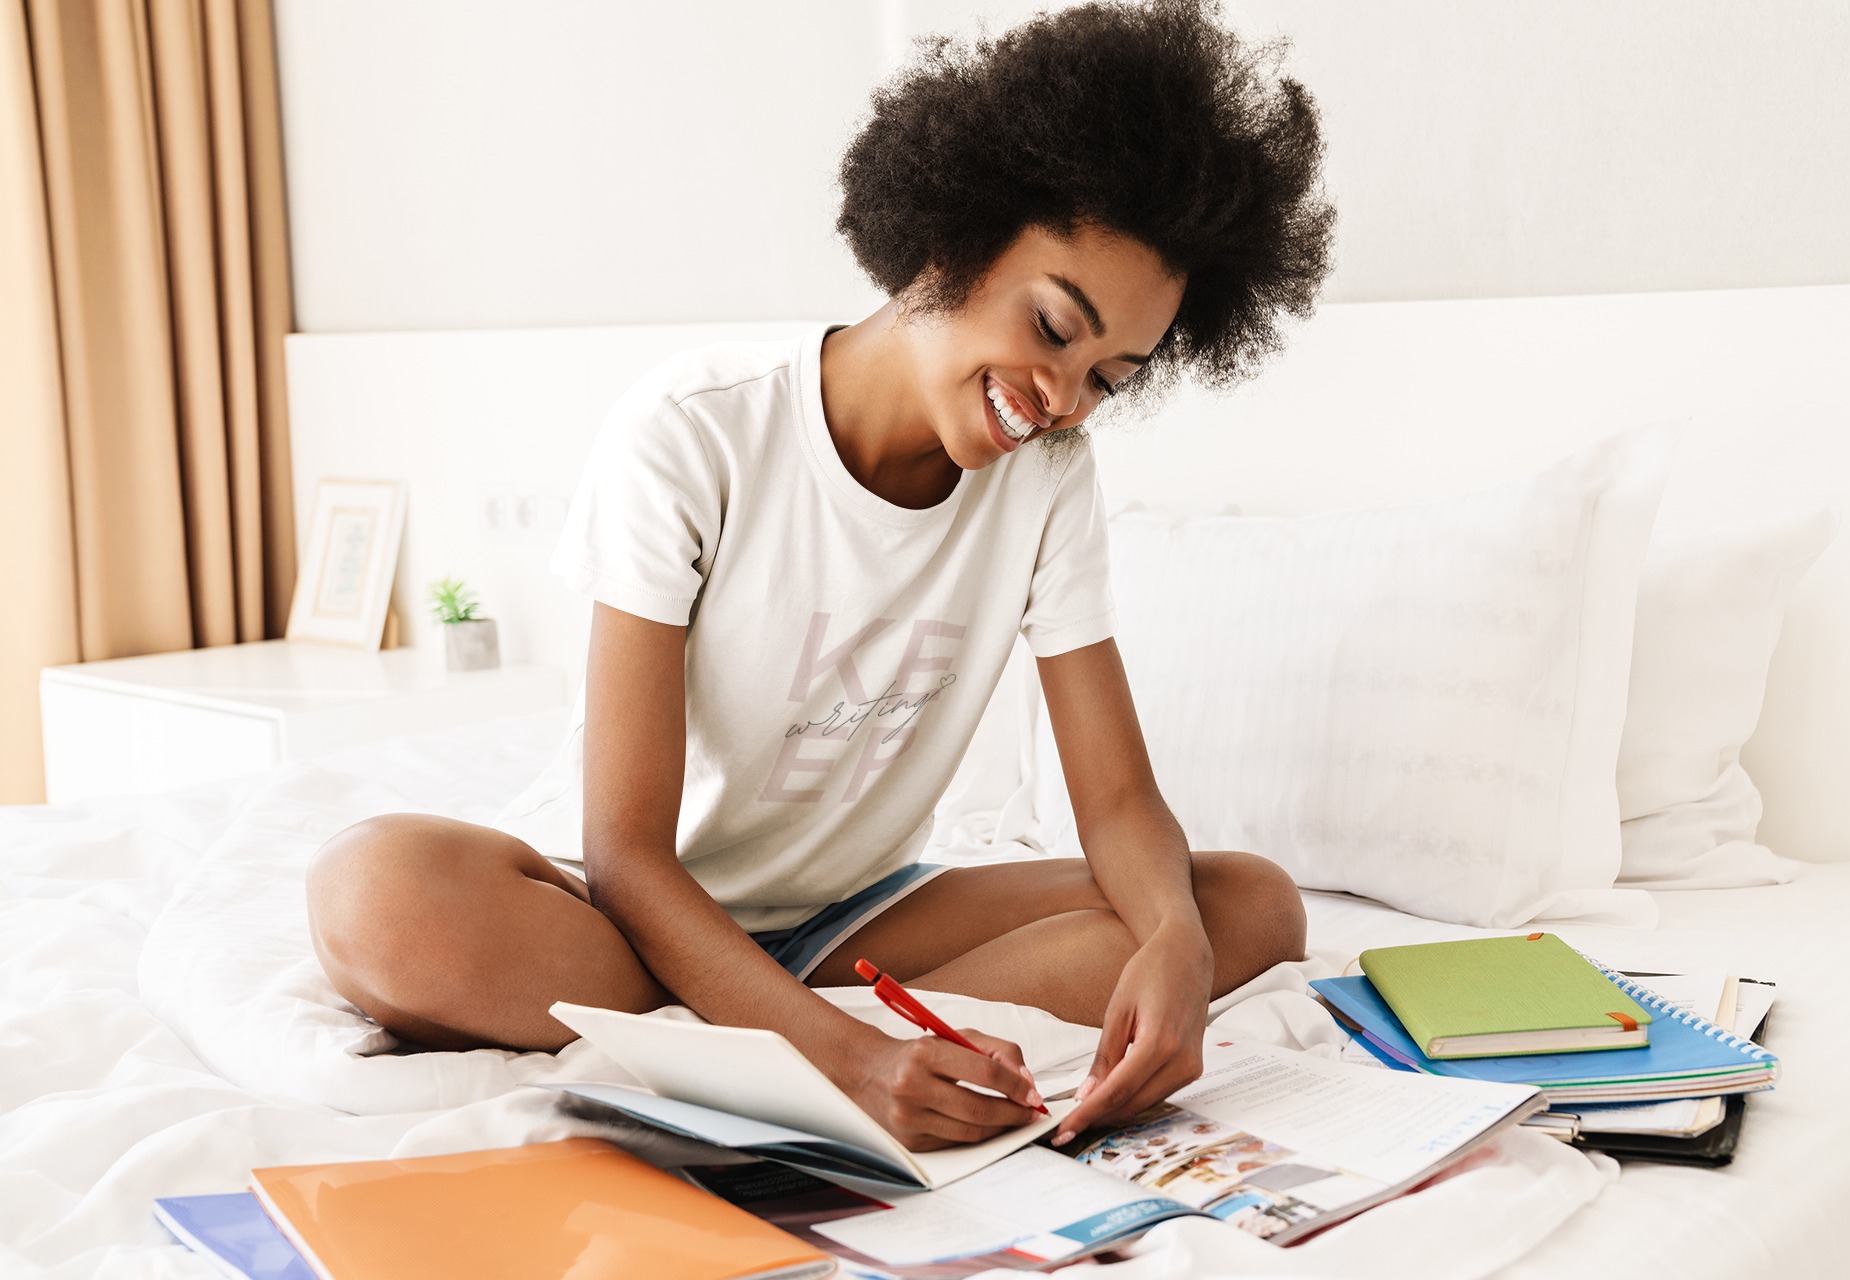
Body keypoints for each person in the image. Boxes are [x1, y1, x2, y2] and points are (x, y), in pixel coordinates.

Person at [306, 0, 1334, 1153]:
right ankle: (781, 1028)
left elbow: (1115, 802)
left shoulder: (1049, 477)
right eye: (1053, 325)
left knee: (1245, 903)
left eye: (1110, 375)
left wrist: (1177, 951)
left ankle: (748, 1025)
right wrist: (846, 1060)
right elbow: (627, 854)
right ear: (956, 231)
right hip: (609, 914)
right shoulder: (697, 431)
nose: (1061, 395)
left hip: (846, 922)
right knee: (373, 892)